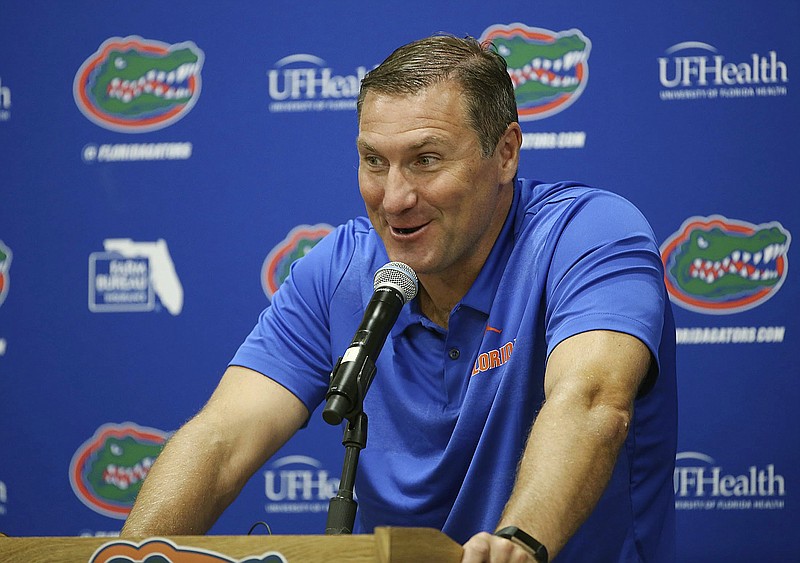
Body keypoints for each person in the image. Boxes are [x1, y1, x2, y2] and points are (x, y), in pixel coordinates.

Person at [121, 34, 677, 562]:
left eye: (426, 160)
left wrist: (517, 544)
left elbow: (592, 400)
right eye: (374, 161)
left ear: (506, 153)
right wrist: (129, 555)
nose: (394, 199)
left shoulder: (588, 233)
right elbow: (221, 440)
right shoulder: (339, 269)